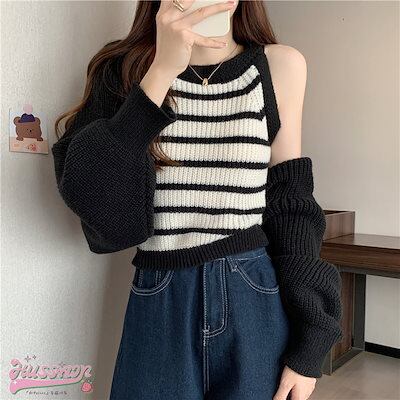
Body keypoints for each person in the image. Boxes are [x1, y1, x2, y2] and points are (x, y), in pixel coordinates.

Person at [51, 1, 343, 399]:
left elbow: (290, 203)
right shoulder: (124, 69)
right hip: (160, 296)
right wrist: (161, 70)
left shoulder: (278, 66)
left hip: (253, 295)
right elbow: (92, 198)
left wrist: (310, 339)